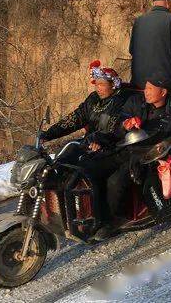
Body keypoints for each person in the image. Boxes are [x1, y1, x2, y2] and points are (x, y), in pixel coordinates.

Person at [40, 62, 134, 231]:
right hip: (90, 145)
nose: (98, 88)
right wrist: (48, 134)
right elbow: (74, 119)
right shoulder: (93, 100)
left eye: (102, 84)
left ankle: (102, 220)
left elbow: (117, 129)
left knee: (88, 173)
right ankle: (63, 212)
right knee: (61, 164)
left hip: (116, 148)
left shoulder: (123, 100)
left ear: (114, 84)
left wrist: (100, 140)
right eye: (96, 84)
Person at [98, 77, 171, 238]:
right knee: (97, 169)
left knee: (116, 181)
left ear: (163, 92)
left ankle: (116, 220)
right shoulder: (136, 102)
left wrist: (169, 156)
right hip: (125, 149)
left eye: (150, 89)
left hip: (150, 156)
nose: (145, 92)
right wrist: (126, 125)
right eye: (145, 88)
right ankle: (96, 215)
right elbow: (117, 125)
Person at [129, 0, 171, 92]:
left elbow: (131, 50)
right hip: (163, 83)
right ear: (167, 0)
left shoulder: (139, 21)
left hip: (138, 81)